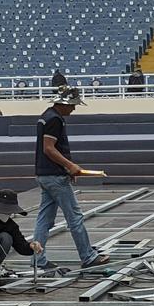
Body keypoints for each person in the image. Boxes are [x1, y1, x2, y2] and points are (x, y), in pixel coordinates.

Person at [31, 85, 108, 274]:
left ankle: (38, 259)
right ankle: (87, 256)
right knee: (75, 217)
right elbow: (49, 148)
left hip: (44, 175)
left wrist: (66, 169)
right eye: (72, 105)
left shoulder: (46, 116)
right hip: (54, 176)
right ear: (64, 104)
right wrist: (70, 166)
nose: (73, 109)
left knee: (44, 219)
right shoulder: (55, 119)